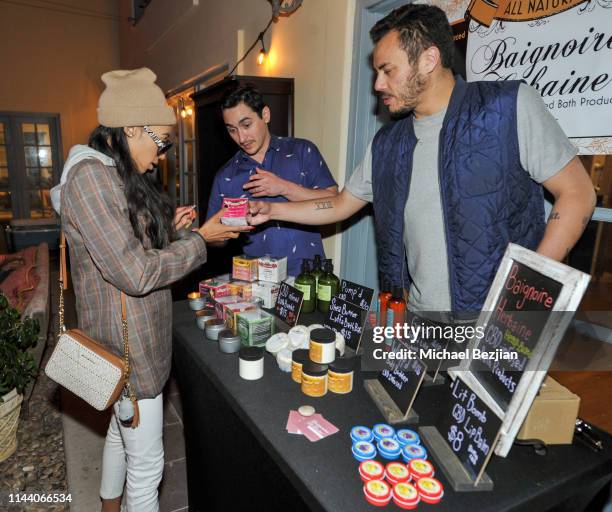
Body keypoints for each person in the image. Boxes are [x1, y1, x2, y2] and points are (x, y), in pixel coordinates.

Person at [248, 4, 596, 317]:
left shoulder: (507, 108)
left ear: (428, 60)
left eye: (387, 70)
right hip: (417, 316)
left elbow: (578, 194)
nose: (378, 84)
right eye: (376, 72)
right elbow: (340, 204)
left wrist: (524, 292)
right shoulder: (387, 143)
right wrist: (274, 209)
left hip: (499, 318)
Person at [54, 68, 251, 512]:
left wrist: (177, 235)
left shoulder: (113, 175)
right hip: (128, 349)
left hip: (136, 345)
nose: (161, 155)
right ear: (129, 129)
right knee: (147, 467)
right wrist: (201, 242)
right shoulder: (90, 178)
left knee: (120, 437)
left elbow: (131, 251)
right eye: (159, 142)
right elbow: (135, 273)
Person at [206, 82, 338, 276]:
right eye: (232, 130)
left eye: (246, 125)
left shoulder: (302, 151)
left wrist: (284, 188)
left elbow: (335, 202)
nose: (241, 138)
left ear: (265, 115)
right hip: (256, 285)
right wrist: (224, 227)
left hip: (309, 277)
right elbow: (215, 239)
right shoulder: (225, 177)